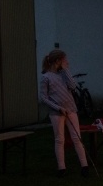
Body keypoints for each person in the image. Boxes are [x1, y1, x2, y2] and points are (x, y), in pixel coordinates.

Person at [39, 49, 90, 177]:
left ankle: (84, 166)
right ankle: (61, 168)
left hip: (71, 109)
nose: (67, 62)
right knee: (59, 139)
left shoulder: (63, 74)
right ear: (57, 61)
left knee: (77, 137)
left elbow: (73, 86)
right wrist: (57, 107)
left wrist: (66, 70)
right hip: (57, 113)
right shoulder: (46, 77)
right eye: (64, 60)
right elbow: (43, 97)